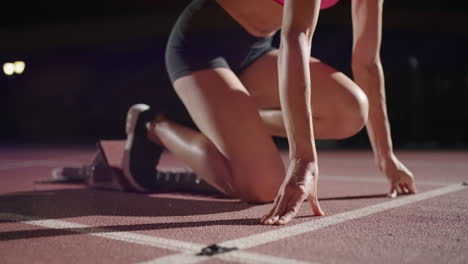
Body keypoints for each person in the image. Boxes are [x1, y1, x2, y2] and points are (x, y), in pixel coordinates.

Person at [122, 0, 417, 225]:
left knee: (352, 110)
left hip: (256, 51)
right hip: (200, 46)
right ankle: (152, 126)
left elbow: (366, 62)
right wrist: (303, 158)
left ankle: (236, 124)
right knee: (264, 187)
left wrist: (386, 156)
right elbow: (296, 39)